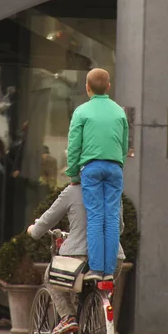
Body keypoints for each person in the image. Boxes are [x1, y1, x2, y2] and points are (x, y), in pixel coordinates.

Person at [27, 183, 125, 334]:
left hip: (78, 256)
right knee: (96, 290)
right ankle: (93, 328)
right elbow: (119, 227)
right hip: (113, 257)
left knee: (49, 275)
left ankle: (68, 317)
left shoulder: (72, 191)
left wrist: (34, 230)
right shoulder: (112, 190)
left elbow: (48, 219)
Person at [66, 68, 128, 283]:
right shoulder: (119, 112)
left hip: (91, 169)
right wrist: (118, 164)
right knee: (111, 218)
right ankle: (109, 271)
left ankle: (95, 269)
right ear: (108, 87)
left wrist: (73, 173)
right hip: (114, 168)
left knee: (95, 217)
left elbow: (74, 146)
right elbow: (124, 145)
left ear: (87, 87)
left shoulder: (82, 112)